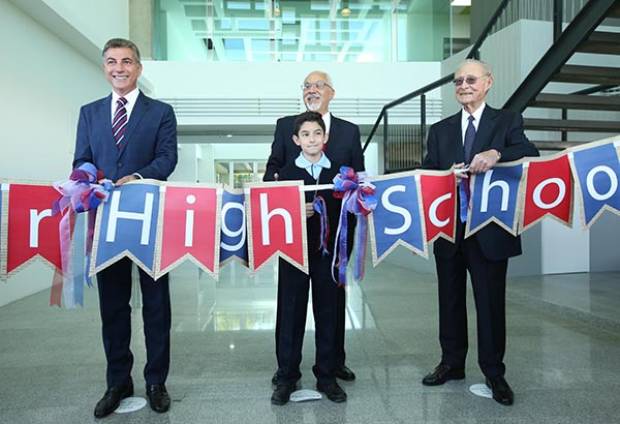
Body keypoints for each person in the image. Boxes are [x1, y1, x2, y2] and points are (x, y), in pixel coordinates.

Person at [421, 59, 539, 406]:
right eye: (458, 80)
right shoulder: (440, 130)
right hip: (450, 229)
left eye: (470, 79)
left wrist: (496, 152)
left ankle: (494, 372)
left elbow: (528, 153)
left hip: (490, 230)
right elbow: (429, 172)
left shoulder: (506, 120)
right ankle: (451, 363)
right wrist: (446, 174)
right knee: (450, 299)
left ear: (488, 82)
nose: (463, 85)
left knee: (489, 303)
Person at [73, 38, 178, 418]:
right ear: (104, 67)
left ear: (138, 68)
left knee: (156, 307)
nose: (119, 68)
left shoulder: (161, 112)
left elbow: (167, 158)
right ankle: (118, 381)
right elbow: (82, 160)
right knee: (113, 307)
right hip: (106, 225)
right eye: (112, 62)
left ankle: (156, 381)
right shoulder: (89, 113)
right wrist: (85, 178)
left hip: (150, 219)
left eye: (127, 61)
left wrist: (135, 177)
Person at [265, 71, 364, 386]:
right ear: (298, 139)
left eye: (318, 85)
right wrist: (291, 203)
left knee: (332, 302)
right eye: (306, 85)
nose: (312, 90)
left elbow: (358, 180)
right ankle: (287, 370)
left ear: (331, 92)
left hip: (335, 235)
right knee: (290, 303)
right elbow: (272, 175)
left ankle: (332, 364)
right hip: (294, 235)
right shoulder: (285, 126)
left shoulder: (349, 131)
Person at [271, 111, 347, 405]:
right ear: (296, 140)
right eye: (305, 135)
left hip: (327, 253)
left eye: (317, 133)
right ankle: (287, 376)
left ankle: (326, 376)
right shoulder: (286, 174)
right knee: (290, 313)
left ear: (325, 137)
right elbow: (274, 216)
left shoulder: (340, 174)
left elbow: (349, 214)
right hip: (295, 253)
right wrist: (293, 211)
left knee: (328, 312)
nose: (312, 139)